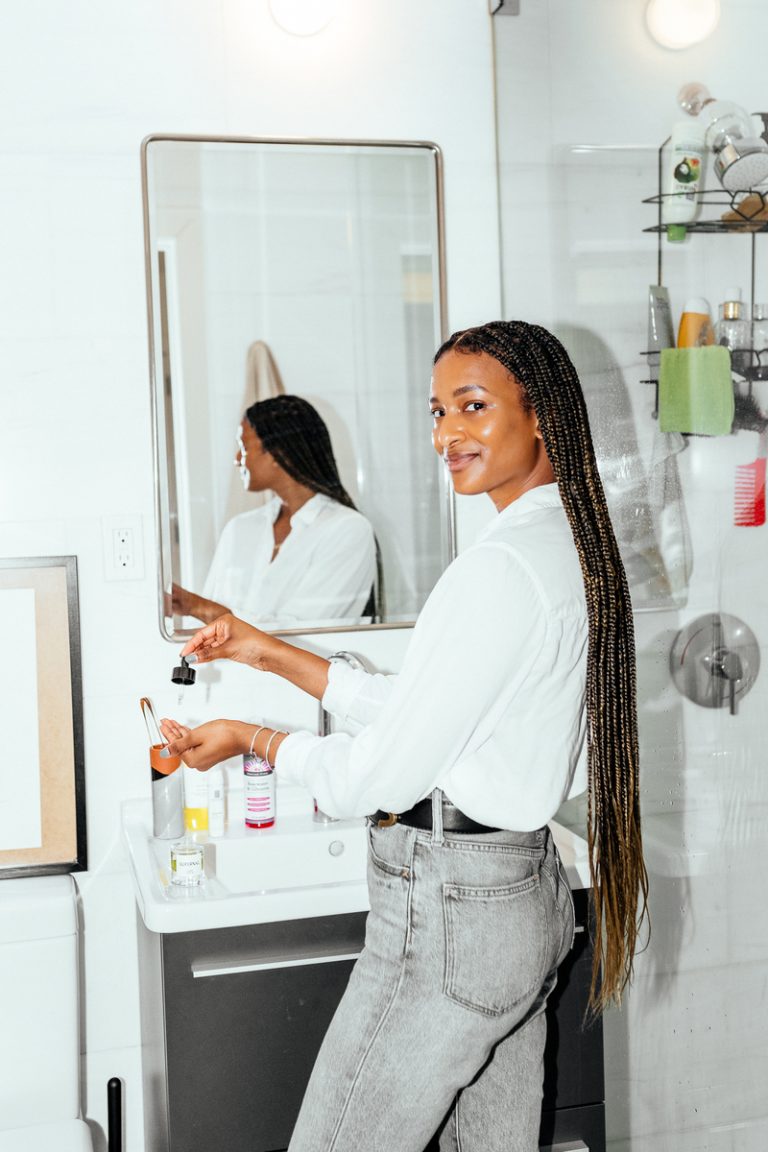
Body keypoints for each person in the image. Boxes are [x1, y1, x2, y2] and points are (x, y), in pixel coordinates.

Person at [160, 321, 648, 1152]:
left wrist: (255, 740)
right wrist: (266, 652)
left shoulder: (498, 571)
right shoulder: (568, 547)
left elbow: (367, 782)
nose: (446, 433)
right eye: (436, 411)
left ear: (541, 417)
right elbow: (430, 715)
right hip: (516, 894)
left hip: (449, 917)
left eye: (473, 405)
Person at [170, 394, 378, 626]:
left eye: (244, 446)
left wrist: (195, 606)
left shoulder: (347, 530)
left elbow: (304, 633)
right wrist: (194, 608)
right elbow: (204, 625)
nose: (237, 459)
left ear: (278, 453)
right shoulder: (239, 529)